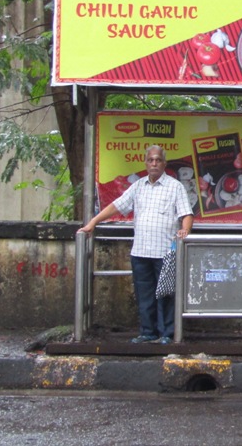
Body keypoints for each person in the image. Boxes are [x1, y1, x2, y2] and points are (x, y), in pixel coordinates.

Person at [78, 145, 194, 344]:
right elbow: (117, 205)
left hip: (166, 251)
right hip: (140, 250)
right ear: (146, 163)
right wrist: (92, 223)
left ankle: (167, 334)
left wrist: (185, 230)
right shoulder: (138, 186)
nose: (154, 163)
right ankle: (148, 332)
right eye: (150, 160)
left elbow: (187, 214)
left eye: (158, 160)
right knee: (144, 294)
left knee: (166, 294)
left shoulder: (175, 186)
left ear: (164, 163)